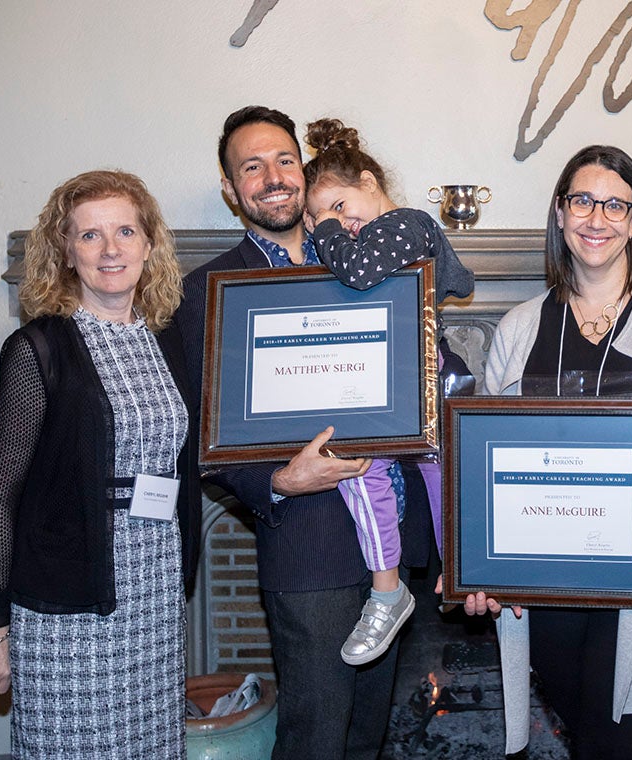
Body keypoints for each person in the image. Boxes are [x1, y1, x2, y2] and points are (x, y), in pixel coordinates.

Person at [171, 106, 437, 760]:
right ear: (233, 190)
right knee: (315, 740)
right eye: (251, 167)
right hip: (309, 551)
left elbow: (425, 364)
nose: (272, 177)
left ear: (303, 167)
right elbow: (200, 435)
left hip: (397, 547)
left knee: (368, 739)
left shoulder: (364, 257)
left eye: (283, 160)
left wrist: (435, 370)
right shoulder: (206, 293)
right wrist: (281, 481)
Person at [474, 145, 632, 759]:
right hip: (545, 591)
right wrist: (480, 566)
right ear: (560, 214)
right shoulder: (517, 327)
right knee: (590, 738)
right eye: (583, 201)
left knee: (621, 746)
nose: (598, 217)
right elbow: (484, 461)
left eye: (615, 204)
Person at [0, 170, 200, 759]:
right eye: (90, 236)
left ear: (150, 244)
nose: (111, 249)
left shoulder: (168, 340)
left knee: (150, 746)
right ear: (66, 252)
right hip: (70, 597)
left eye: (125, 230)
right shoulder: (39, 348)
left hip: (156, 589)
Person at [301, 117, 475, 666]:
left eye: (341, 207)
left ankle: (464, 566)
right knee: (359, 472)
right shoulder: (355, 246)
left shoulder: (408, 223)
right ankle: (387, 590)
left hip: (421, 375)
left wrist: (323, 229)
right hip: (367, 383)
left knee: (442, 470)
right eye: (321, 219)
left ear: (371, 183)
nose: (338, 226)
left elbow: (359, 270)